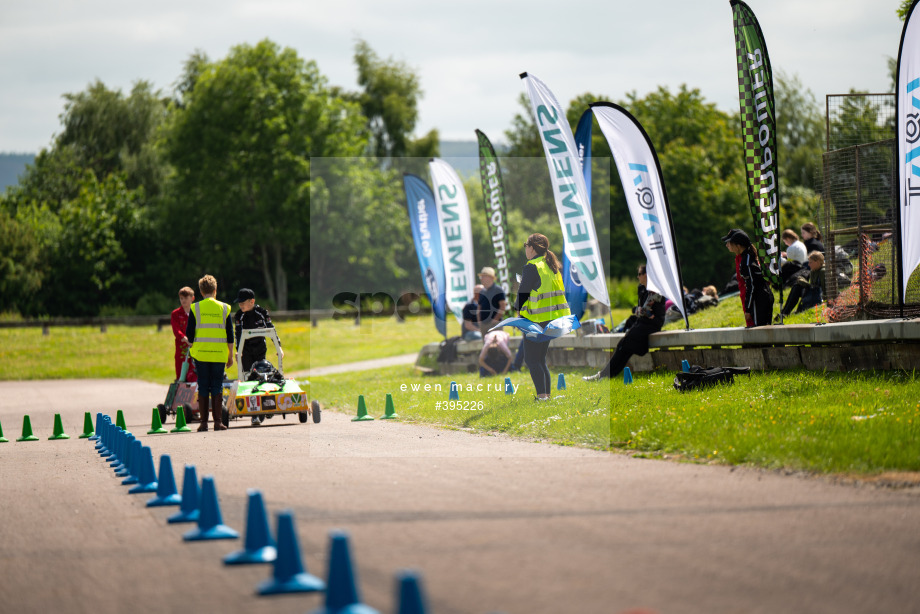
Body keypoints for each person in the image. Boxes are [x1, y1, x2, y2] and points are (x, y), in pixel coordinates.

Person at [514, 233, 571, 400]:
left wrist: (517, 311)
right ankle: (546, 395)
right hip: (551, 318)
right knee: (540, 359)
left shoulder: (532, 266)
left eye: (526, 245)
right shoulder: (551, 265)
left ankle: (542, 397)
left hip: (534, 320)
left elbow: (523, 292)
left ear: (531, 248)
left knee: (531, 360)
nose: (525, 248)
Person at [584, 264, 665, 382]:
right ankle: (605, 376)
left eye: (639, 274)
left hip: (651, 325)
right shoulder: (642, 289)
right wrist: (640, 311)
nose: (638, 277)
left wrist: (640, 311)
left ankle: (603, 376)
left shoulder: (655, 290)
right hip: (642, 323)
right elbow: (642, 311)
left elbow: (647, 312)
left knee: (624, 345)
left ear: (646, 275)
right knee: (623, 347)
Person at [185, 274, 234, 432]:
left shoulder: (195, 308)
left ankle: (204, 423)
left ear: (200, 291)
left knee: (203, 386)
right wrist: (230, 355)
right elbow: (230, 334)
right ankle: (218, 422)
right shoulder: (224, 308)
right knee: (217, 387)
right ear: (215, 290)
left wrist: (190, 341)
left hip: (201, 355)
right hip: (219, 354)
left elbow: (190, 335)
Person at [234, 288, 283, 425]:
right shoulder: (239, 316)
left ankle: (267, 404)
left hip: (260, 350)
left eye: (243, 302)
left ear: (252, 301)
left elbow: (271, 329)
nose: (241, 305)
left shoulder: (262, 313)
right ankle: (255, 414)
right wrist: (239, 351)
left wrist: (279, 348)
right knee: (249, 379)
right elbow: (237, 335)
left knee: (263, 377)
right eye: (239, 303)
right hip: (246, 351)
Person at [722, 228, 774, 328]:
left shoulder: (746, 262)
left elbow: (751, 287)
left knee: (760, 336)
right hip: (763, 298)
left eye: (729, 243)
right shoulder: (748, 257)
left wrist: (748, 309)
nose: (726, 245)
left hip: (759, 301)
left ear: (738, 245)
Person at [780, 251, 826, 317]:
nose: (809, 265)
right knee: (797, 286)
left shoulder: (823, 272)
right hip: (814, 294)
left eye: (811, 262)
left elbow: (821, 290)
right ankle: (785, 312)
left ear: (818, 262)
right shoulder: (814, 271)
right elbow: (813, 286)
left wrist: (806, 284)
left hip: (819, 297)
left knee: (798, 287)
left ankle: (786, 312)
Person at [171, 286, 197, 383]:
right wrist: (185, 339)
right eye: (181, 298)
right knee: (181, 377)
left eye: (186, 298)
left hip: (195, 349)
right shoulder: (176, 314)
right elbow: (176, 330)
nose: (183, 301)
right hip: (182, 351)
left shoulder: (196, 312)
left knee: (194, 375)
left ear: (192, 298)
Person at [477, 267, 508, 336]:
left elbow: (502, 306)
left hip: (495, 325)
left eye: (483, 276)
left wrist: (495, 320)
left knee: (495, 345)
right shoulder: (482, 291)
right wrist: (479, 321)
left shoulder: (498, 290)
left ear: (490, 277)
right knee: (486, 345)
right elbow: (479, 307)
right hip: (483, 325)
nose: (481, 279)